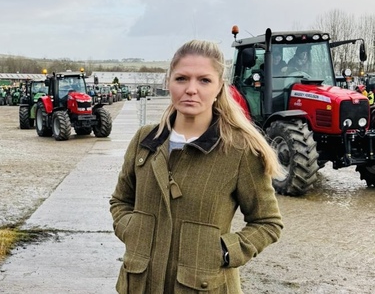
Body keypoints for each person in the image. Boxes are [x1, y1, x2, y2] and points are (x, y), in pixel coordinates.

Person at [109, 39, 284, 293]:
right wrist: (134, 231)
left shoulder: (240, 151)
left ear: (219, 87)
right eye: (181, 79)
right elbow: (120, 201)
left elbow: (268, 222)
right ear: (168, 82)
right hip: (140, 284)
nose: (191, 89)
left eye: (204, 80)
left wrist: (224, 252)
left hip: (204, 286)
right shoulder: (144, 141)